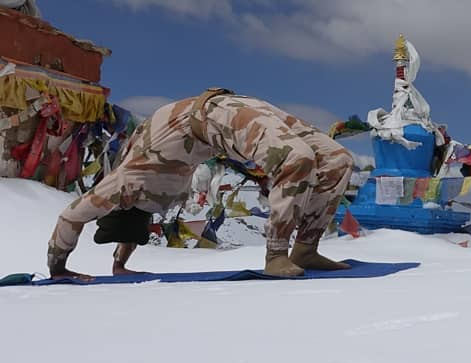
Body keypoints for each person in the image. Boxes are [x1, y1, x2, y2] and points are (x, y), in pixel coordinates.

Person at [47, 88, 355, 279]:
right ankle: (279, 254)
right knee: (318, 157)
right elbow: (129, 229)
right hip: (222, 118)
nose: (155, 215)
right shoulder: (134, 191)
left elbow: (71, 216)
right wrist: (118, 267)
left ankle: (301, 250)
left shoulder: (128, 182)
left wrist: (57, 267)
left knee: (329, 158)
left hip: (216, 113)